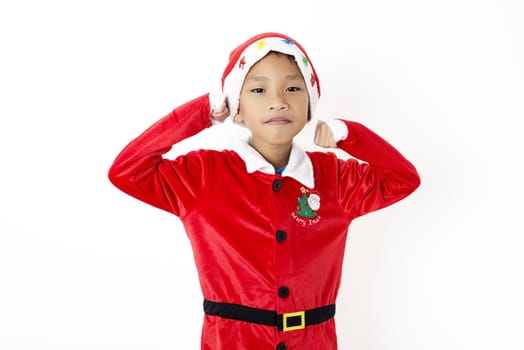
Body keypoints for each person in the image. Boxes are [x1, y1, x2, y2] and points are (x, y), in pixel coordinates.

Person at [108, 32, 420, 350]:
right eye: (258, 89)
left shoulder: (336, 179)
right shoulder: (203, 176)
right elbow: (127, 171)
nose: (278, 101)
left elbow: (402, 179)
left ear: (309, 105)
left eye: (293, 89)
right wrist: (199, 113)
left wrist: (350, 135)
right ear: (236, 108)